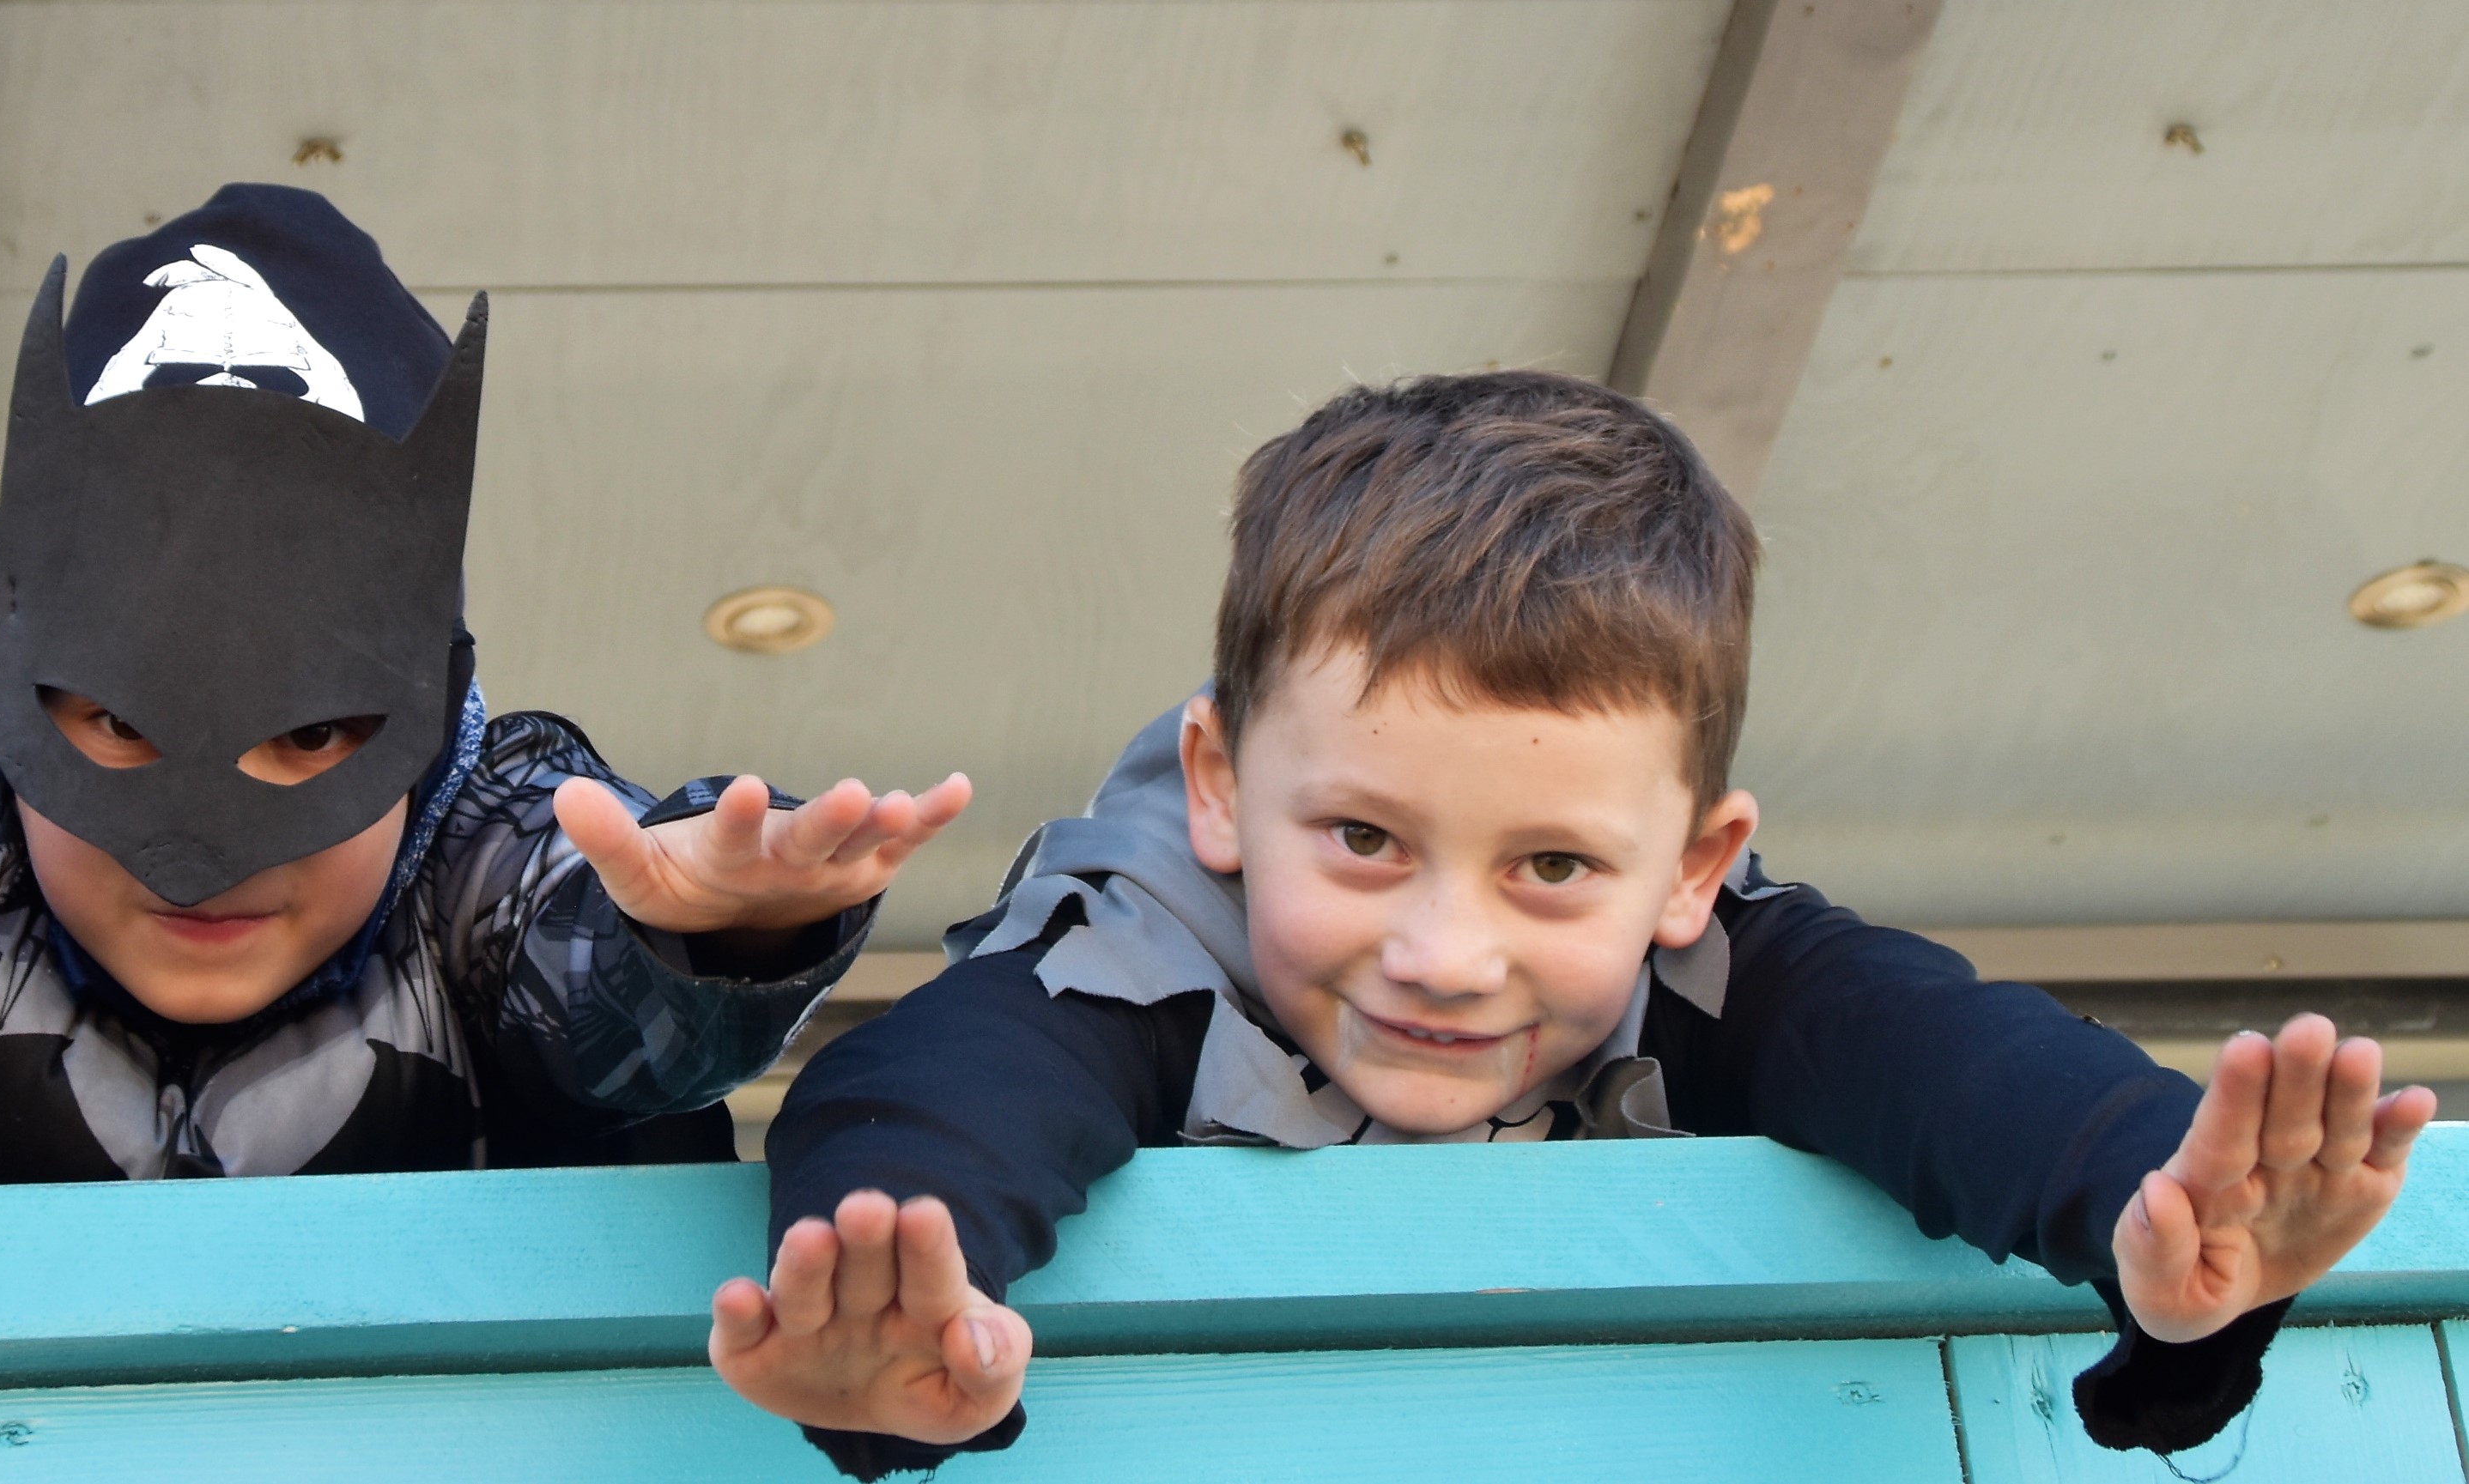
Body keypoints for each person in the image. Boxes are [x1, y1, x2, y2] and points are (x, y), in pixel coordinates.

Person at [713, 371, 2435, 1476]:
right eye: (1365, 839)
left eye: (1548, 868)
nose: (1445, 953)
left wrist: (2153, 1219)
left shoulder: (1719, 959)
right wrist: (903, 1326)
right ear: (1222, 786)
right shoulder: (1139, 942)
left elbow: (1938, 1057)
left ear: (1691, 862)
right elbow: (944, 1089)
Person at [0, 184, 968, 1184]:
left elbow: (582, 942)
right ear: (10, 681)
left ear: (422, 713)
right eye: (113, 724)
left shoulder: (490, 847)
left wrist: (711, 936)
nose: (201, 850)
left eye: (312, 734)